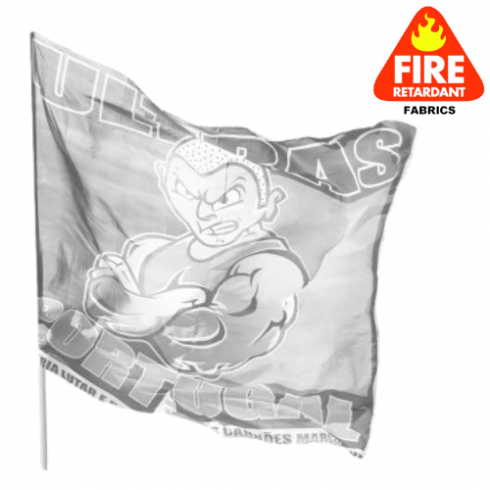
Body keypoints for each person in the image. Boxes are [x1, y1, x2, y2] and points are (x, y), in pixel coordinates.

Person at [84, 135, 309, 376]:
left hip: (212, 394)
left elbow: (234, 336)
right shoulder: (151, 253)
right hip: (131, 379)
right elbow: (100, 302)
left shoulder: (269, 266)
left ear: (269, 203)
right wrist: (110, 290)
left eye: (228, 198)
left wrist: (150, 315)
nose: (203, 213)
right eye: (186, 192)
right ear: (164, 179)